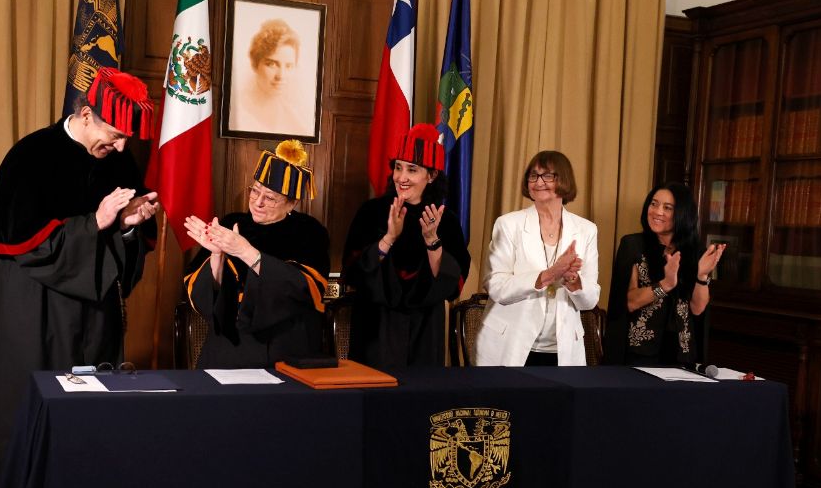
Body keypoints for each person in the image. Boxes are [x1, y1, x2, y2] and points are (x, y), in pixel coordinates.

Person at [0, 67, 158, 488]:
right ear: (87, 112)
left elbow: (127, 245)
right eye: (114, 135)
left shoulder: (117, 160)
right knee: (32, 396)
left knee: (93, 394)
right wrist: (95, 221)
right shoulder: (31, 156)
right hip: (37, 307)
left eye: (126, 139)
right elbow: (27, 245)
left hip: (94, 313)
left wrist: (129, 226)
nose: (119, 147)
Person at [183, 140, 330, 368]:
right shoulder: (231, 223)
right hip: (229, 349)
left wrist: (246, 252)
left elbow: (304, 289)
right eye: (255, 191)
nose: (257, 202)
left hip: (285, 348)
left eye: (270, 197)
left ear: (292, 203)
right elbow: (206, 299)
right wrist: (217, 257)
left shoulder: (310, 232)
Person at [343, 123, 471, 368]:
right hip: (374, 326)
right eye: (398, 168)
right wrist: (389, 238)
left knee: (419, 401)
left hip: (425, 329)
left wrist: (432, 240)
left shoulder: (446, 220)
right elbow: (354, 273)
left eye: (412, 170)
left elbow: (451, 285)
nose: (402, 177)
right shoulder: (371, 212)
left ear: (431, 175)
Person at [475, 151, 601, 366]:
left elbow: (590, 300)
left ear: (564, 180)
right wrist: (548, 275)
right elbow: (496, 286)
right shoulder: (508, 225)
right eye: (533, 176)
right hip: (510, 346)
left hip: (562, 351)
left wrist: (573, 280)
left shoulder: (586, 230)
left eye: (547, 176)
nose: (538, 182)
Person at [603, 182, 726, 366]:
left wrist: (701, 276)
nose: (657, 212)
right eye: (654, 204)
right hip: (639, 353)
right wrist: (665, 285)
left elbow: (698, 308)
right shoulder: (633, 245)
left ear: (683, 214)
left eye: (667, 208)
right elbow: (629, 301)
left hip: (681, 354)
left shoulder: (696, 251)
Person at [229, 19, 307, 135]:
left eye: (289, 66)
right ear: (255, 64)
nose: (281, 76)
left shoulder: (295, 123)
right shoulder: (236, 109)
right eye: (272, 64)